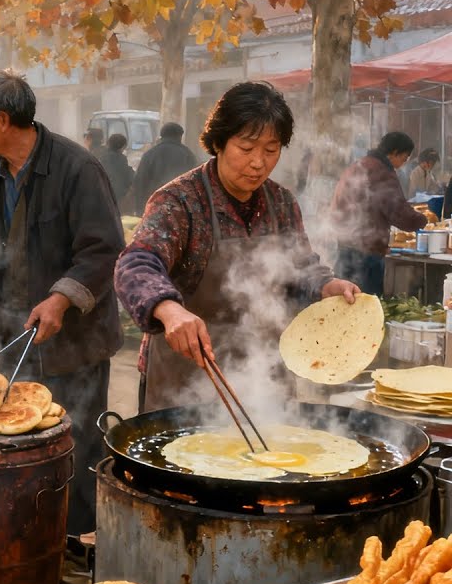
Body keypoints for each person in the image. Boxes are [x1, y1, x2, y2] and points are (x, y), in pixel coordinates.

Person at [0, 70, 124, 540]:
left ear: (3, 120)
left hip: (72, 347)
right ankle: (24, 539)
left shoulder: (77, 169)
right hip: (11, 337)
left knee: (73, 446)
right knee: (15, 445)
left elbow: (104, 250)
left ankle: (72, 546)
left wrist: (61, 298)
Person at [115, 81, 360, 413]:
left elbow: (302, 265)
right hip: (186, 378)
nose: (258, 162)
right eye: (247, 148)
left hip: (264, 373)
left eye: (271, 150)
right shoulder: (179, 201)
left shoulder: (282, 202)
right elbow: (136, 264)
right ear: (218, 142)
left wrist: (326, 285)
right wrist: (169, 309)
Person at [327, 131, 425, 295]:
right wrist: (423, 220)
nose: (403, 163)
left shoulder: (357, 166)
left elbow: (336, 204)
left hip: (344, 248)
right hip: (367, 253)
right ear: (394, 152)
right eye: (404, 158)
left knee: (343, 303)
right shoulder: (382, 172)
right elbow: (399, 212)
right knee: (366, 306)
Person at [129, 122, 197, 215]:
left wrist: (140, 209)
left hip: (154, 205)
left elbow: (140, 182)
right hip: (180, 207)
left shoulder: (150, 154)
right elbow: (194, 182)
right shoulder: (187, 154)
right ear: (179, 136)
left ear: (162, 136)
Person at [99, 133, 134, 205]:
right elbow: (126, 176)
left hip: (102, 193)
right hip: (117, 196)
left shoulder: (101, 156)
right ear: (122, 146)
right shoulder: (121, 159)